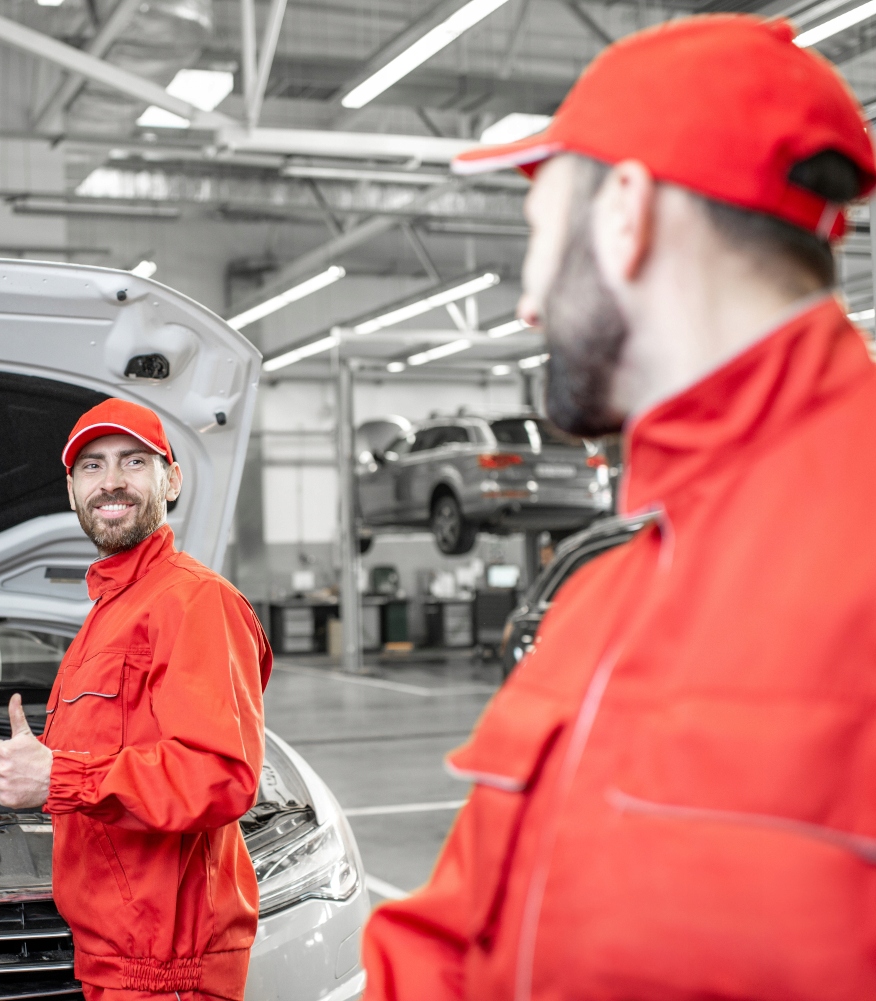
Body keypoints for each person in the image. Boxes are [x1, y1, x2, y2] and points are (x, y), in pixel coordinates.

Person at [362, 15, 876, 999]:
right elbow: (453, 940)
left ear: (625, 215)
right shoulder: (604, 599)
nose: (526, 305)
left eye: (537, 236)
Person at [0, 397, 273, 1001]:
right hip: (112, 951)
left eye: (133, 461)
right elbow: (98, 746)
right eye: (92, 466)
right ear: (72, 491)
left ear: (171, 480)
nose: (111, 481)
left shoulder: (193, 601)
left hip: (165, 965)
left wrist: (55, 777)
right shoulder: (110, 610)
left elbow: (219, 776)